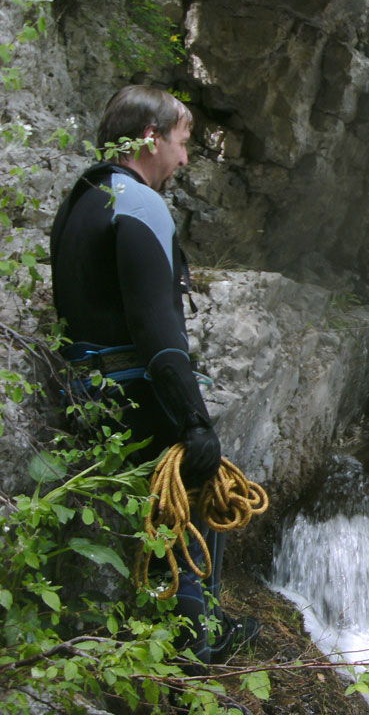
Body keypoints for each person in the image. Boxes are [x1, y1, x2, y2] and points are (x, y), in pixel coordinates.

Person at [50, 85, 255, 665]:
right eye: (183, 143)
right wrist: (195, 421)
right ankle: (195, 653)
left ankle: (167, 638)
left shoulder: (80, 200)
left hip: (89, 393)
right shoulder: (137, 203)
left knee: (153, 521)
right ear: (150, 138)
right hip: (139, 389)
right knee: (191, 509)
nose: (185, 159)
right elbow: (157, 328)